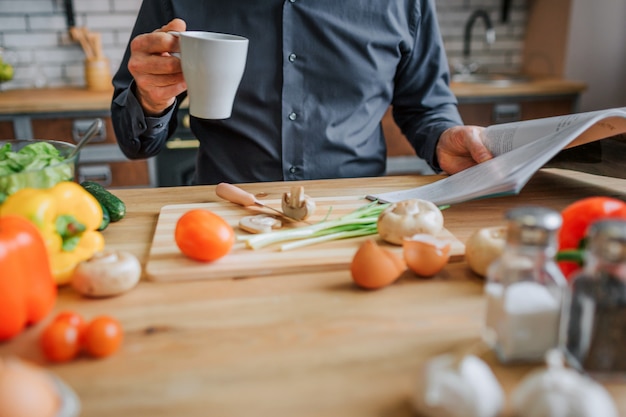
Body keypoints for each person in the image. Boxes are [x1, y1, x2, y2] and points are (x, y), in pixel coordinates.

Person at [111, 1, 493, 186]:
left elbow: (426, 104)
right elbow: (134, 143)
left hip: (353, 220)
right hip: (220, 214)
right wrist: (151, 100)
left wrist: (443, 137)